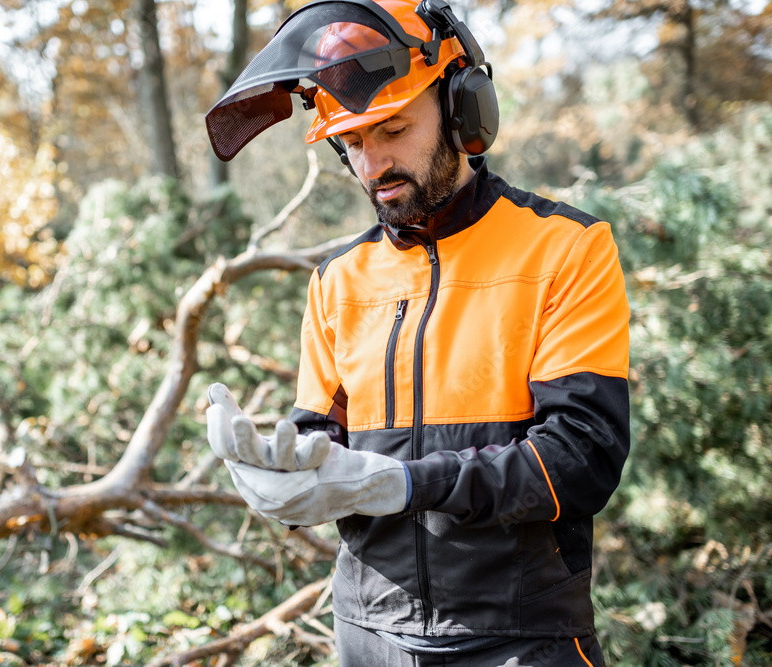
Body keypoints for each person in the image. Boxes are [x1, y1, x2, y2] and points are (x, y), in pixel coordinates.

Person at [203, 1, 630, 664]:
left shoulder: (564, 250)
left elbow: (580, 458)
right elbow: (326, 444)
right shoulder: (337, 281)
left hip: (519, 635)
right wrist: (283, 477)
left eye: (393, 128)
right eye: (352, 143)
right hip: (367, 631)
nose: (372, 163)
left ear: (465, 110)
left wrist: (404, 483)